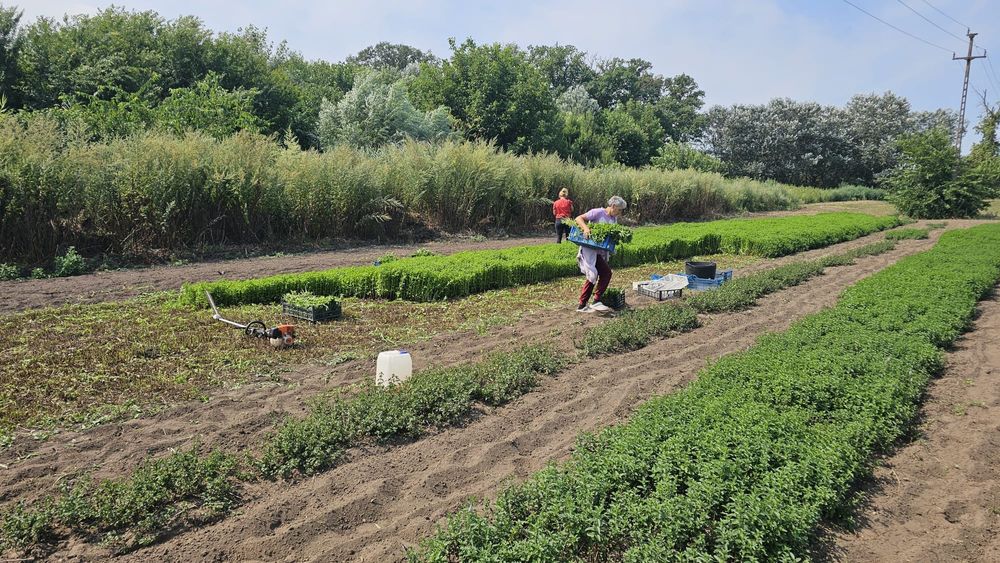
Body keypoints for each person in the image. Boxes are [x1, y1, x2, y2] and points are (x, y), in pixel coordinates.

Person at [574, 196, 627, 313]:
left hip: (599, 251)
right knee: (595, 275)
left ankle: (590, 302)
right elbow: (578, 218)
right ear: (613, 206)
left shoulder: (613, 220)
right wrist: (586, 229)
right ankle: (587, 304)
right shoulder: (597, 212)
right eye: (619, 210)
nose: (619, 213)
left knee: (604, 273)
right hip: (589, 249)